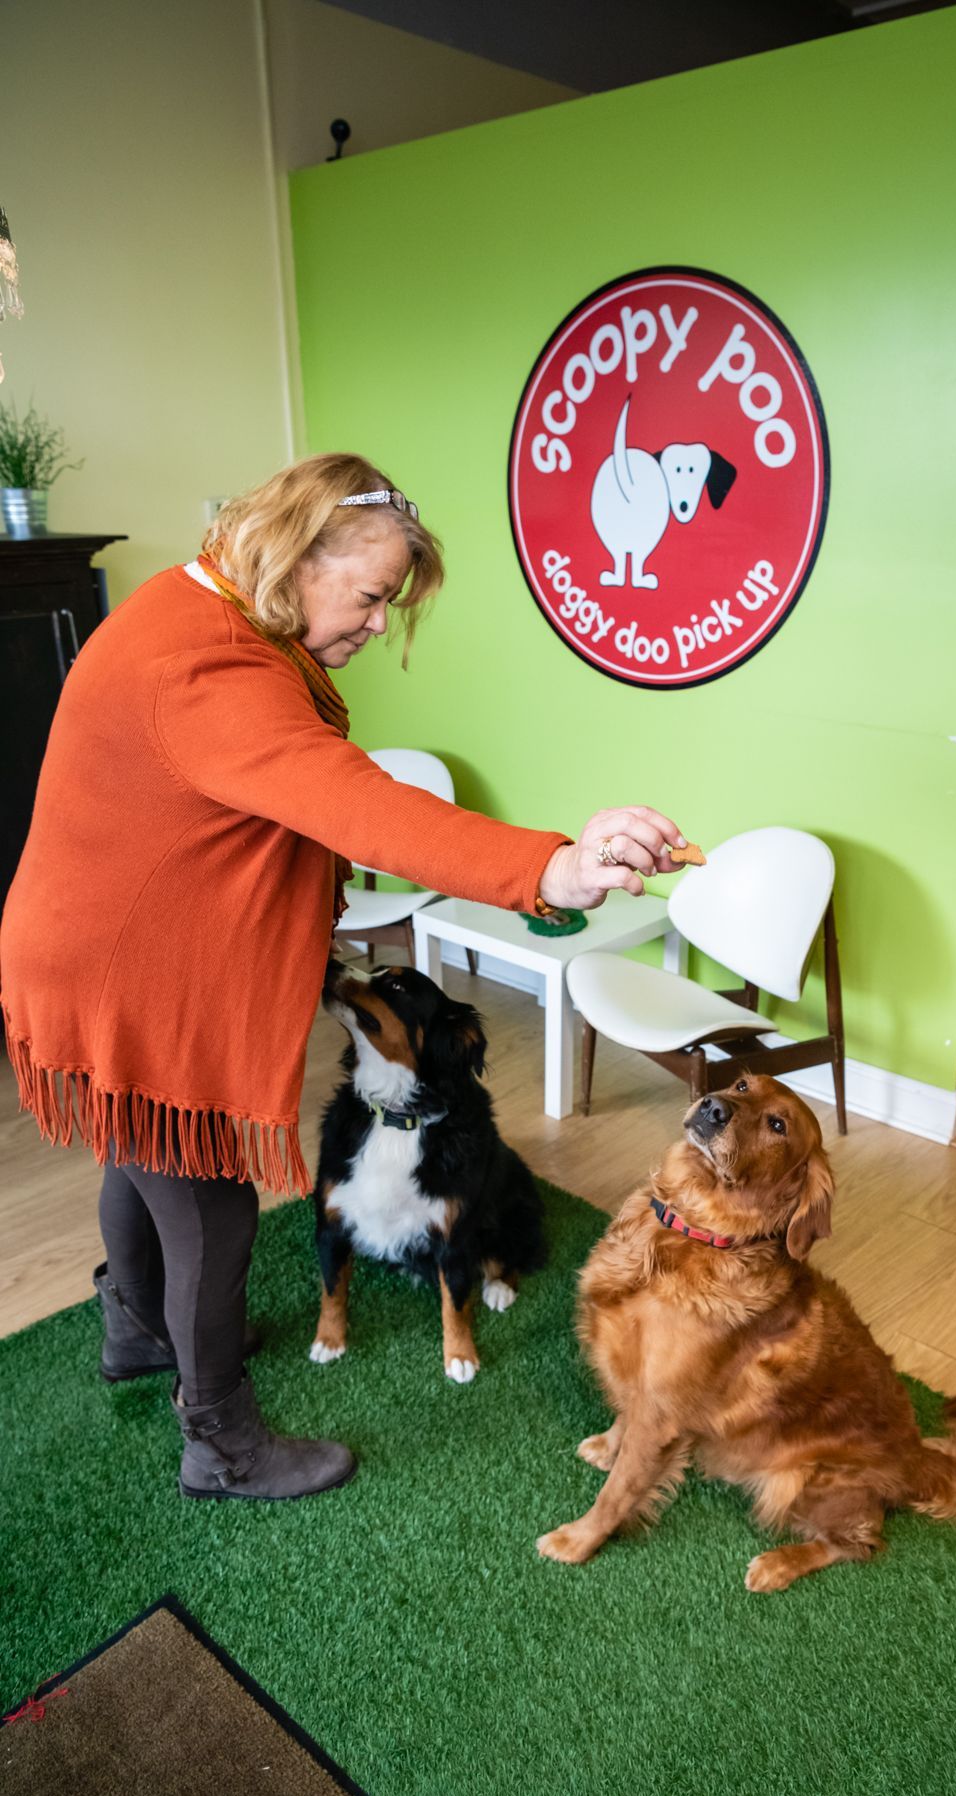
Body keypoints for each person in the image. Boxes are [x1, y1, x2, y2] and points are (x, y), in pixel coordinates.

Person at [0, 452, 687, 1502]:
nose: (376, 623)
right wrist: (553, 868)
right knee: (209, 1205)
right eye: (369, 596)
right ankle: (220, 1442)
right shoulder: (209, 666)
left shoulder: (200, 608)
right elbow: (360, 805)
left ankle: (137, 1331)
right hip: (118, 973)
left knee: (139, 1154)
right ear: (296, 556)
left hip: (93, 955)